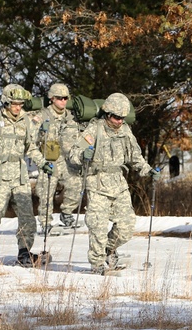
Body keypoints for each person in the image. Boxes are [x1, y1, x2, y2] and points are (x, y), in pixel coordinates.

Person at [67, 93, 158, 274]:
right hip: (97, 183)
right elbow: (73, 154)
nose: (119, 121)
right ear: (107, 114)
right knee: (98, 227)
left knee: (127, 226)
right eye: (116, 117)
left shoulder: (125, 131)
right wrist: (82, 156)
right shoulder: (94, 130)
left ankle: (109, 250)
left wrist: (147, 170)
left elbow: (135, 157)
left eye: (122, 118)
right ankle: (97, 264)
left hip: (118, 183)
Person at [0, 84, 52, 266]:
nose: (18, 107)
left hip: (20, 174)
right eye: (14, 104)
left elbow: (31, 147)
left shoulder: (26, 122)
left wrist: (43, 163)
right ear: (6, 103)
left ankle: (24, 252)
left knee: (27, 216)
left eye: (20, 104)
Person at [32, 82, 83, 233]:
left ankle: (66, 214)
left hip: (67, 161)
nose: (63, 101)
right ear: (52, 99)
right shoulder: (41, 116)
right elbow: (30, 139)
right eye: (59, 98)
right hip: (49, 160)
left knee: (76, 185)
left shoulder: (72, 118)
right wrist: (40, 131)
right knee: (46, 191)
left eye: (65, 98)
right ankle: (45, 222)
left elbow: (81, 138)